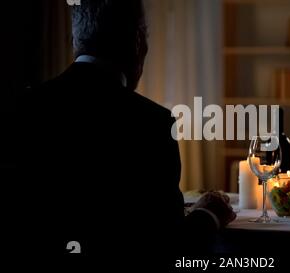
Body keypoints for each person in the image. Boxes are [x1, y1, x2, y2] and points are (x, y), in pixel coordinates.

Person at [16, 0, 235, 260]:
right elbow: (169, 248)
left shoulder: (23, 107)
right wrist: (208, 213)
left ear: (76, 40)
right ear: (138, 42)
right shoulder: (151, 122)